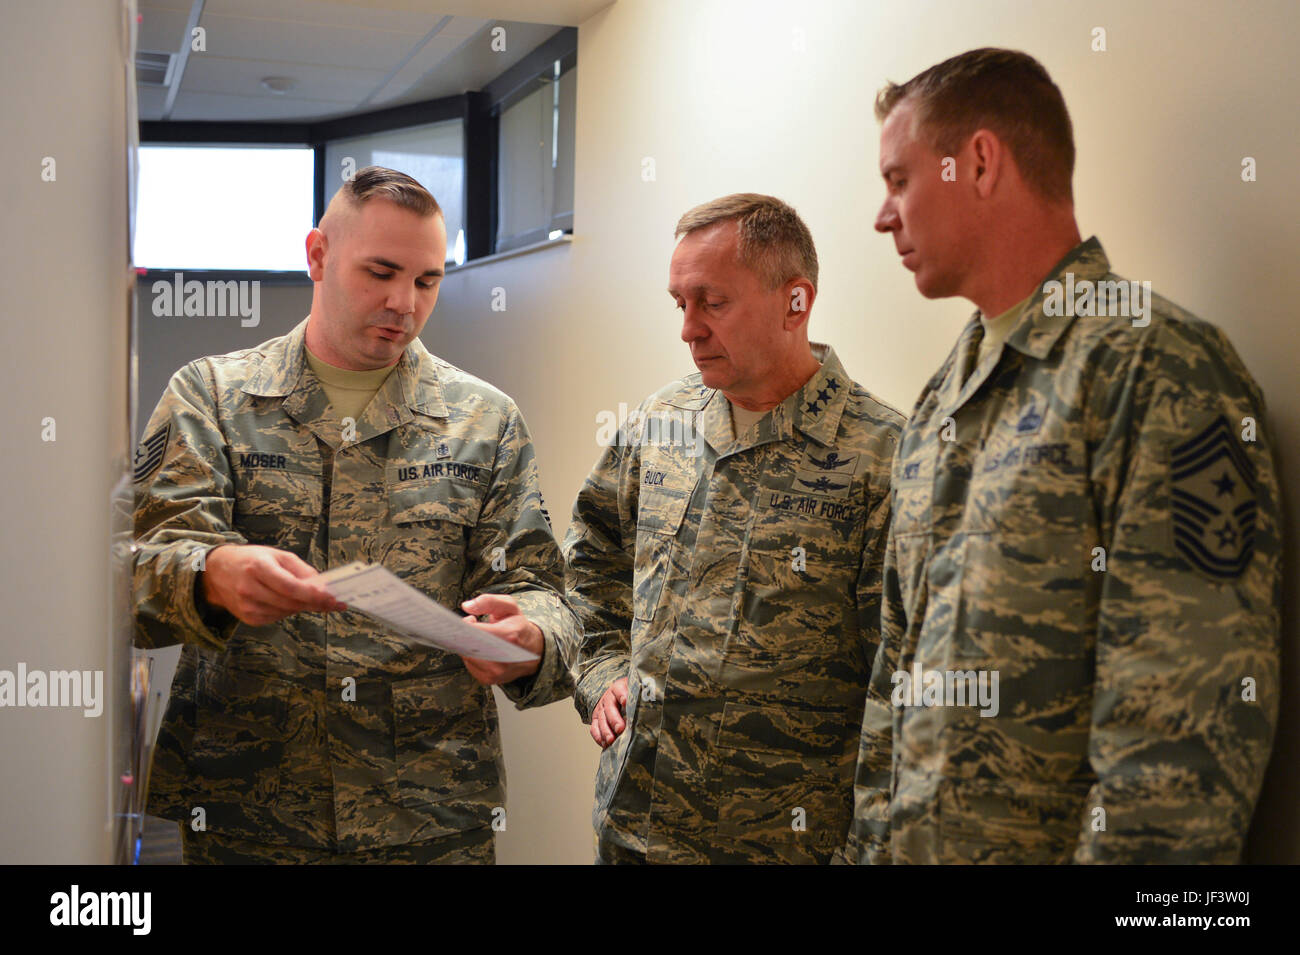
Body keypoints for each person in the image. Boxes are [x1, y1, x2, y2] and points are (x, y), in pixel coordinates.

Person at [842, 49, 1282, 864]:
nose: (883, 214)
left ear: (978, 161)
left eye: (899, 180)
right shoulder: (941, 400)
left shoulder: (1159, 370)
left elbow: (1183, 739)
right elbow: (893, 691)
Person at [133, 166, 577, 864]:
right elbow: (131, 578)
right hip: (250, 807)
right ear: (317, 255)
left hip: (428, 815)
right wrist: (213, 574)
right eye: (381, 272)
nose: (404, 302)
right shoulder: (212, 397)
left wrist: (532, 639)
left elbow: (545, 593)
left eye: (427, 280)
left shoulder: (484, 421)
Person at [564, 194, 904, 863]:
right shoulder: (662, 420)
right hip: (634, 832)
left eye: (711, 301)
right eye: (679, 303)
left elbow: (900, 687)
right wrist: (600, 669)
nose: (688, 329)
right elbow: (592, 559)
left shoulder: (882, 459)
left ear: (794, 302)